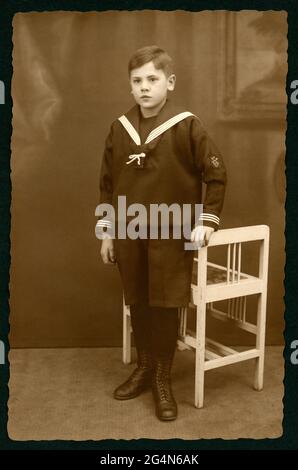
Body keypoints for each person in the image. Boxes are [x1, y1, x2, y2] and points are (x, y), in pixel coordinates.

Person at [96, 45, 227, 421]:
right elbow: (107, 183)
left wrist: (206, 220)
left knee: (166, 303)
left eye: (152, 79)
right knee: (137, 299)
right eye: (137, 81)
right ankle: (144, 367)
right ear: (130, 86)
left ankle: (162, 378)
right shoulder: (119, 129)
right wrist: (107, 233)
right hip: (129, 230)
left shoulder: (187, 125)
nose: (144, 88)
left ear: (169, 83)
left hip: (172, 231)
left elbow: (216, 174)